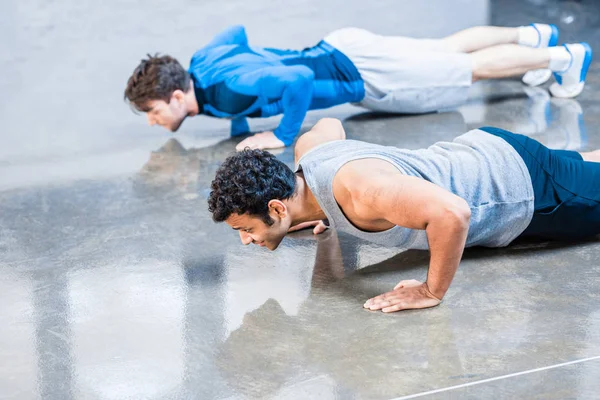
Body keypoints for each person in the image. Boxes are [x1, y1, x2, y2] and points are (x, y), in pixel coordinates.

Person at [207, 118, 600, 313]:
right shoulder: (307, 158)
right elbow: (329, 125)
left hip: (521, 188)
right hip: (483, 149)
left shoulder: (362, 191)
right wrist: (321, 217)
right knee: (584, 169)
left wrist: (430, 291)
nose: (245, 239)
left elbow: (452, 213)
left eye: (246, 229)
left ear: (276, 207)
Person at [124, 24, 592, 151]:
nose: (152, 120)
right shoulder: (204, 64)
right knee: (443, 49)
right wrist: (246, 109)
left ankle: (561, 58)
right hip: (346, 47)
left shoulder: (227, 83)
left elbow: (298, 79)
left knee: (464, 71)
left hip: (364, 76)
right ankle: (532, 36)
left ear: (178, 96)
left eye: (153, 111)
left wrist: (281, 135)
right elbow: (237, 32)